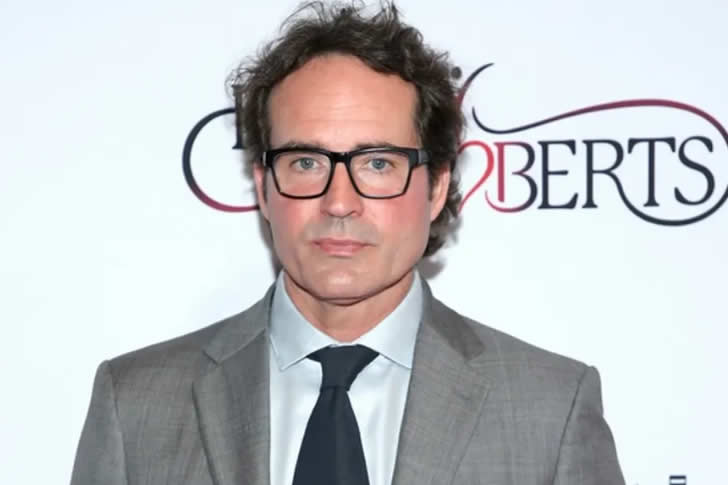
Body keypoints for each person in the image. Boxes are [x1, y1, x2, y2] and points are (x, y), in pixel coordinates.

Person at [71, 2, 625, 484]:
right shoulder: (136, 405)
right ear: (263, 188)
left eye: (378, 163)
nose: (339, 201)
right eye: (306, 162)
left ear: (436, 187)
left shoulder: (550, 410)